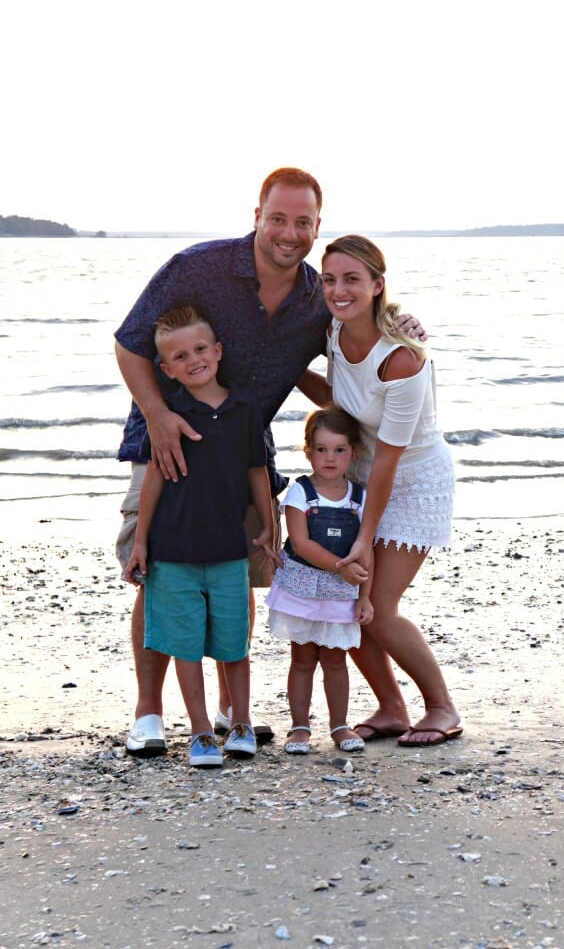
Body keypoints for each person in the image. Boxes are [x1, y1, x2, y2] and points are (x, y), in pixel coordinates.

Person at [114, 167, 424, 757]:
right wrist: (157, 416)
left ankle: (233, 710)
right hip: (171, 445)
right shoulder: (198, 267)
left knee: (244, 569)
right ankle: (149, 713)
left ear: (316, 227)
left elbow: (359, 331)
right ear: (257, 216)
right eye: (277, 218)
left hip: (245, 454)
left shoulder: (317, 297)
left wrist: (402, 327)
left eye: (302, 222)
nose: (288, 232)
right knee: (161, 576)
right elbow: (131, 341)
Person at [313, 234, 462, 747]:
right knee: (346, 599)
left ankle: (442, 706)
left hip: (413, 481)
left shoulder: (402, 360)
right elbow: (343, 400)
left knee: (376, 601)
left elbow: (389, 463)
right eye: (329, 279)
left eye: (352, 279)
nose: (338, 289)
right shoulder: (333, 330)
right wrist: (284, 375)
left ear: (378, 285)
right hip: (366, 475)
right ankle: (391, 707)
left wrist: (363, 538)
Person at [123, 305, 278, 766]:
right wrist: (141, 541)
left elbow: (257, 470)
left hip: (230, 550)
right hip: (173, 553)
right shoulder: (168, 413)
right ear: (165, 369)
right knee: (186, 645)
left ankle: (241, 721)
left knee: (234, 644)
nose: (193, 360)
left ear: (218, 350)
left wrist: (268, 522)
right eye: (179, 356)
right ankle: (201, 733)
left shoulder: (245, 408)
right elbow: (153, 478)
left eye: (200, 349)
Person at [265, 406, 373, 755]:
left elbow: (365, 550)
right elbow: (301, 543)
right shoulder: (300, 492)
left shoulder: (359, 497)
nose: (330, 458)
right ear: (308, 451)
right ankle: (299, 727)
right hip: (302, 590)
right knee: (302, 659)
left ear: (352, 453)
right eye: (321, 449)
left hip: (341, 593)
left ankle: (340, 725)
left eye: (339, 450)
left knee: (336, 660)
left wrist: (365, 596)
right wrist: (339, 567)